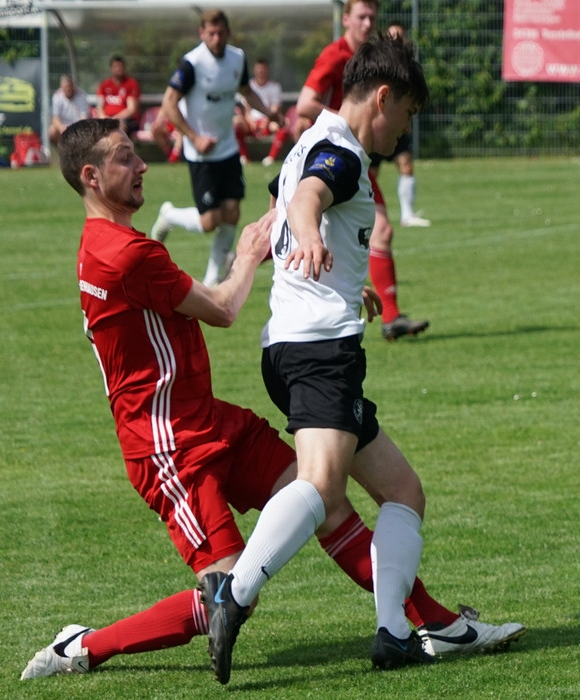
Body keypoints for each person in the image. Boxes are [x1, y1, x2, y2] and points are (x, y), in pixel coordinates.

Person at [19, 118, 524, 682]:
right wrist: (246, 254)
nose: (141, 166)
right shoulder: (124, 254)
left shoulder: (113, 245)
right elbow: (222, 307)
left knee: (326, 501)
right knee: (230, 591)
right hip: (168, 447)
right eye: (124, 158)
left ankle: (432, 621)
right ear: (91, 176)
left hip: (210, 420)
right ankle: (83, 646)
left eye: (137, 154)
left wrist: (325, 280)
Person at [202, 33, 441, 685]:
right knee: (320, 486)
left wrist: (338, 276)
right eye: (406, 116)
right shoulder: (341, 155)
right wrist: (308, 237)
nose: (404, 131)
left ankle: (393, 632)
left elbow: (288, 205)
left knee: (403, 492)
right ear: (382, 98)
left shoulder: (309, 140)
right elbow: (307, 201)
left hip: (296, 344)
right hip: (319, 352)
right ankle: (233, 593)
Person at [294, 0, 428, 341]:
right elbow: (305, 103)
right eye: (361, 17)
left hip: (360, 149)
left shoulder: (378, 61)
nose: (368, 23)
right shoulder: (334, 56)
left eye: (372, 17)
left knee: (377, 230)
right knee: (373, 227)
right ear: (346, 19)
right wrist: (346, 121)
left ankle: (390, 315)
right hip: (339, 151)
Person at [149, 9, 282, 287]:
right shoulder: (192, 63)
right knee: (210, 221)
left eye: (221, 33)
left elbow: (246, 92)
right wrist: (194, 137)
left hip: (228, 149)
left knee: (232, 213)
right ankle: (169, 215)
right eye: (211, 33)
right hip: (201, 154)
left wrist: (269, 113)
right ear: (202, 33)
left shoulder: (238, 58)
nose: (216, 38)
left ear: (228, 33)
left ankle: (212, 278)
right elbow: (169, 103)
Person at [379, 23, 430, 228]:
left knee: (406, 164)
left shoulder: (409, 68)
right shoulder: (378, 64)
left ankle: (407, 215)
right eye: (392, 37)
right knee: (368, 175)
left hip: (397, 127)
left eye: (400, 37)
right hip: (378, 128)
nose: (396, 41)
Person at [234, 58, 289, 166]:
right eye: (258, 69)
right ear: (254, 70)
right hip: (251, 122)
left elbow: (275, 107)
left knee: (283, 124)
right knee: (236, 122)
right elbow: (246, 108)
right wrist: (250, 121)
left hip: (268, 121)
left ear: (267, 70)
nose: (260, 72)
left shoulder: (274, 86)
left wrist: (268, 119)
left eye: (263, 69)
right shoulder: (248, 86)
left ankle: (271, 158)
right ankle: (244, 157)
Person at [97, 55, 141, 135]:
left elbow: (131, 109)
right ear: (111, 68)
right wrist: (104, 117)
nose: (118, 69)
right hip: (107, 119)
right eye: (115, 66)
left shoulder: (131, 84)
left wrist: (113, 119)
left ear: (124, 68)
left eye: (120, 66)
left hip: (125, 119)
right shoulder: (104, 84)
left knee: (119, 127)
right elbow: (100, 106)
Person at [49, 75, 91, 145]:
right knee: (52, 131)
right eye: (66, 87)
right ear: (62, 87)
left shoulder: (82, 96)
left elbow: (84, 116)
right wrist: (61, 127)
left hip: (78, 126)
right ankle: (60, 148)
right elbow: (55, 118)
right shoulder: (57, 96)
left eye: (70, 87)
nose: (68, 89)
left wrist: (75, 128)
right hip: (63, 126)